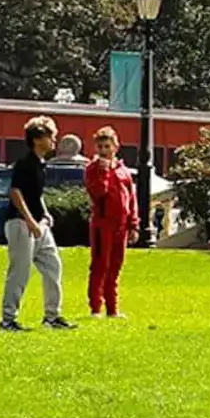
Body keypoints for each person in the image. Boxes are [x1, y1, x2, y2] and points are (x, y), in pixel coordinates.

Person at [0, 116, 71, 332]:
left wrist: (45, 214)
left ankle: (52, 316)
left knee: (53, 266)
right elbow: (15, 192)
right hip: (20, 224)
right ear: (38, 138)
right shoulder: (25, 164)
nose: (54, 141)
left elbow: (35, 194)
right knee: (20, 272)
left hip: (39, 225)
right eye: (51, 137)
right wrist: (30, 221)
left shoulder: (41, 165)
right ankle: (8, 320)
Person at [82, 126, 136, 319]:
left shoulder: (123, 171)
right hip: (102, 224)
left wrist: (133, 225)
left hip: (120, 225)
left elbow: (131, 198)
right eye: (100, 146)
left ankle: (113, 310)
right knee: (100, 265)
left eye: (107, 146)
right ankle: (96, 307)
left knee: (115, 266)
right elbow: (98, 193)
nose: (104, 150)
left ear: (116, 147)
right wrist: (103, 172)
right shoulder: (92, 169)